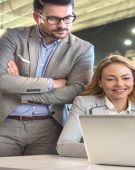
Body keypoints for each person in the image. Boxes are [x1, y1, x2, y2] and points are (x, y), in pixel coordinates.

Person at [0, 0, 94, 156]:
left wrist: (21, 92)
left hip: (49, 128)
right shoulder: (13, 37)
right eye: (53, 19)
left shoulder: (83, 49)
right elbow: (2, 80)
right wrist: (52, 83)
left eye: (68, 18)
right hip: (5, 123)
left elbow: (76, 91)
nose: (62, 25)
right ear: (37, 17)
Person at [57, 55, 135, 158]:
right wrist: (113, 152)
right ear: (100, 82)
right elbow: (64, 146)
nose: (119, 84)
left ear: (133, 80)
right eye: (111, 79)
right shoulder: (83, 103)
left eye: (126, 78)